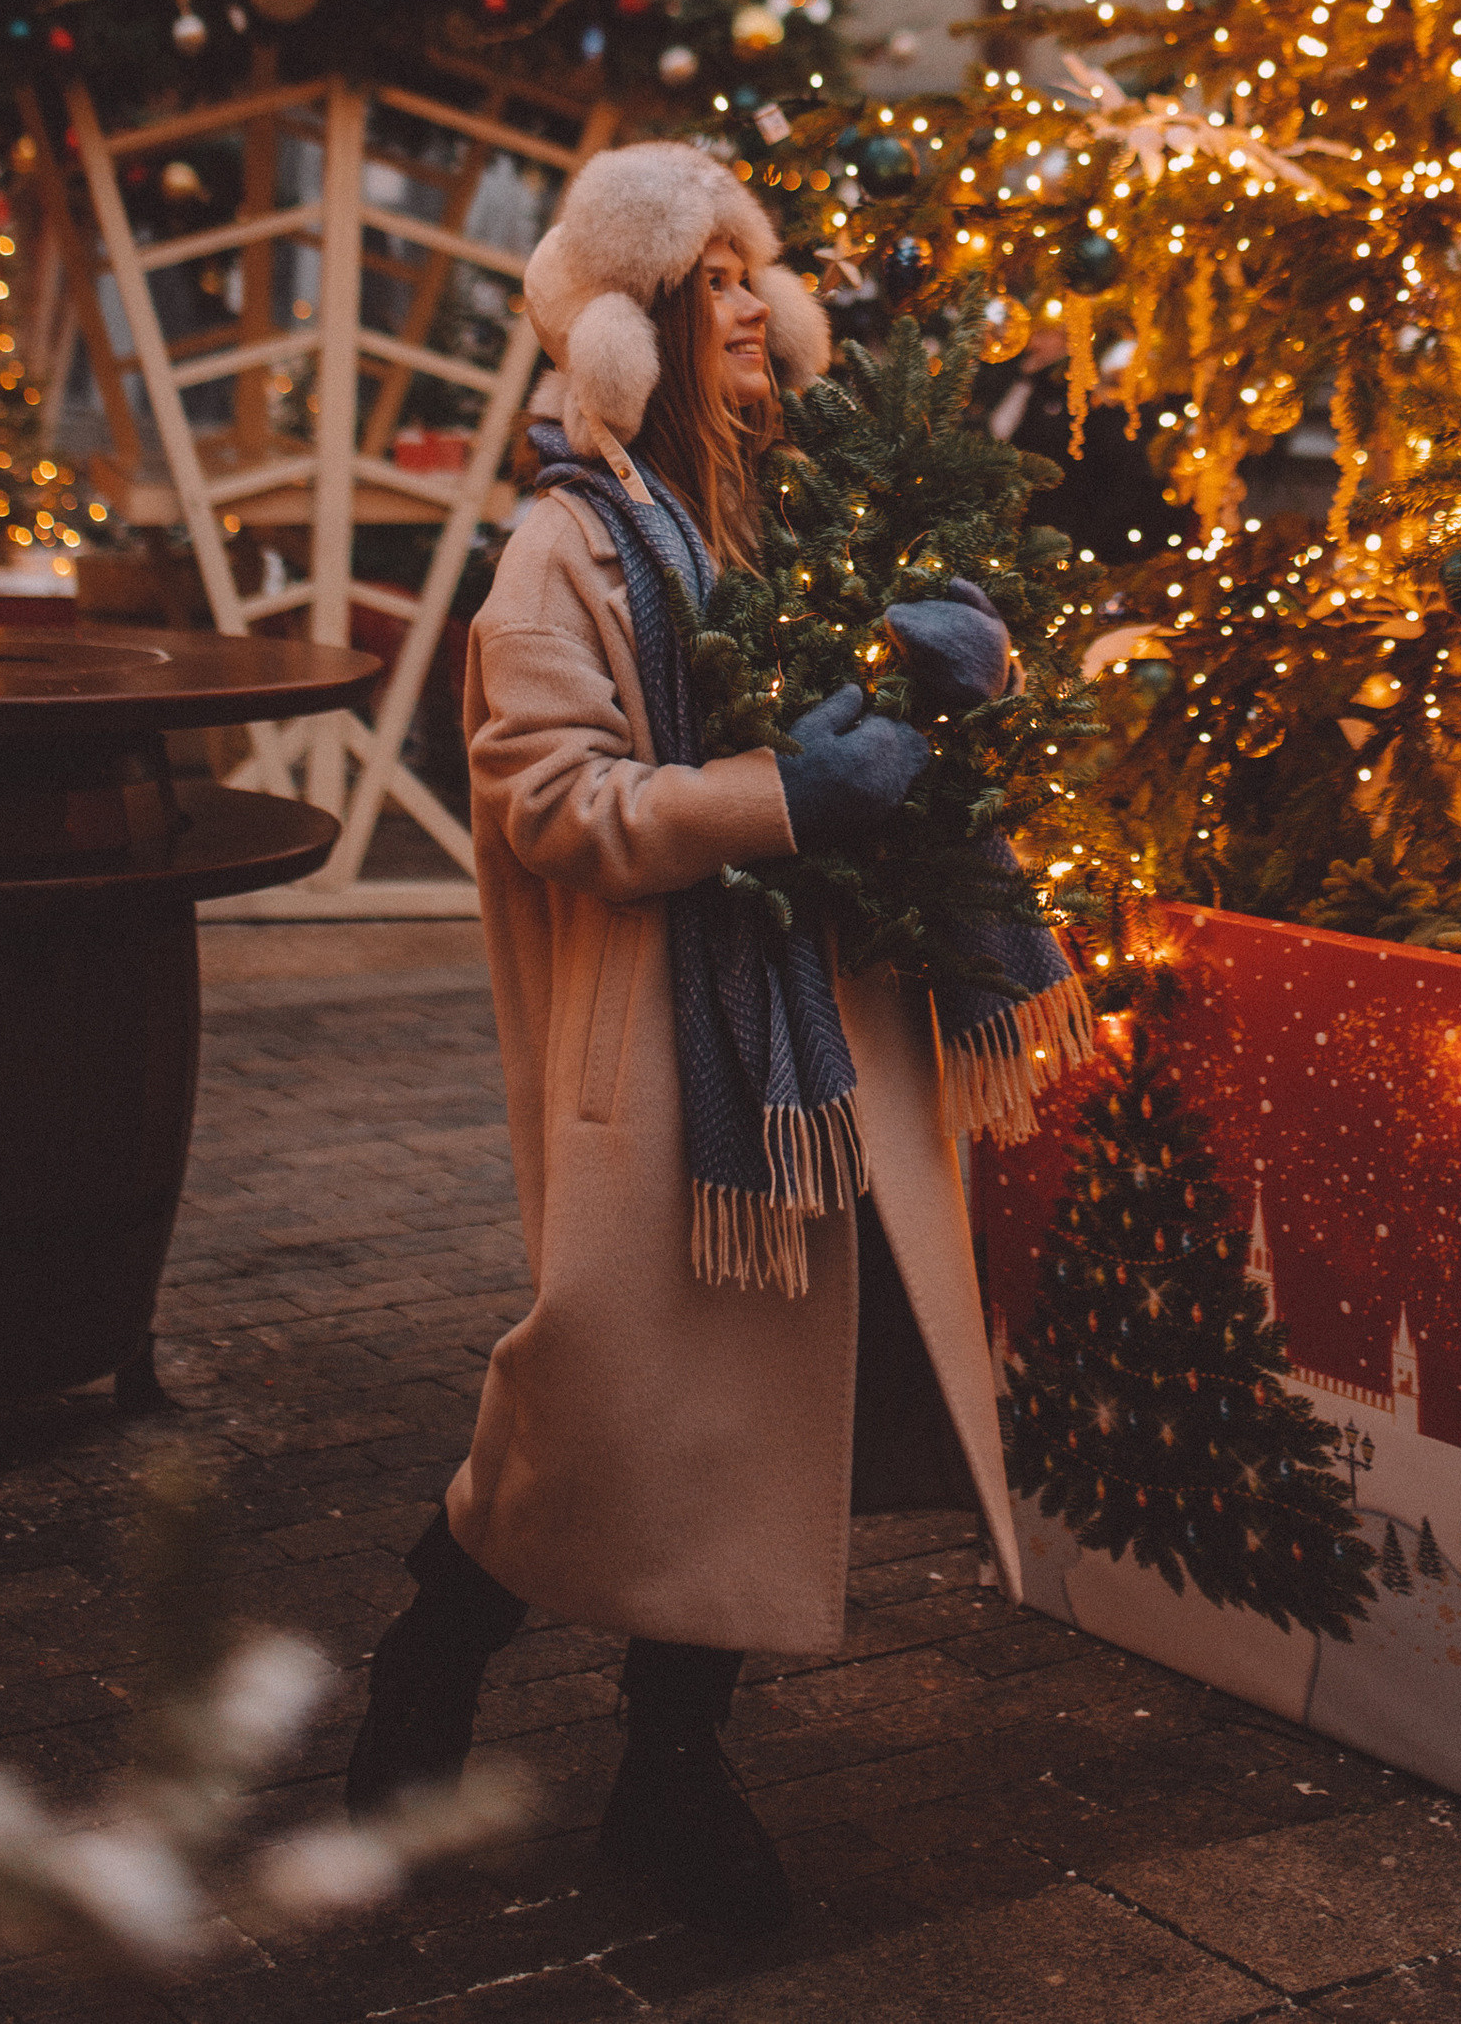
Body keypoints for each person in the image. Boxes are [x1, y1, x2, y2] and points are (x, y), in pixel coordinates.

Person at [343, 141, 1020, 1934]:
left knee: (737, 1427)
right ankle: (445, 1623)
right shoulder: (561, 550)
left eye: (752, 272)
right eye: (712, 274)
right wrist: (780, 795)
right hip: (665, 1054)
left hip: (817, 1048)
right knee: (609, 1403)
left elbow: (892, 728)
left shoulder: (795, 527)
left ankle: (672, 1778)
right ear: (636, 316)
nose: (749, 302)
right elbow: (554, 801)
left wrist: (956, 678)